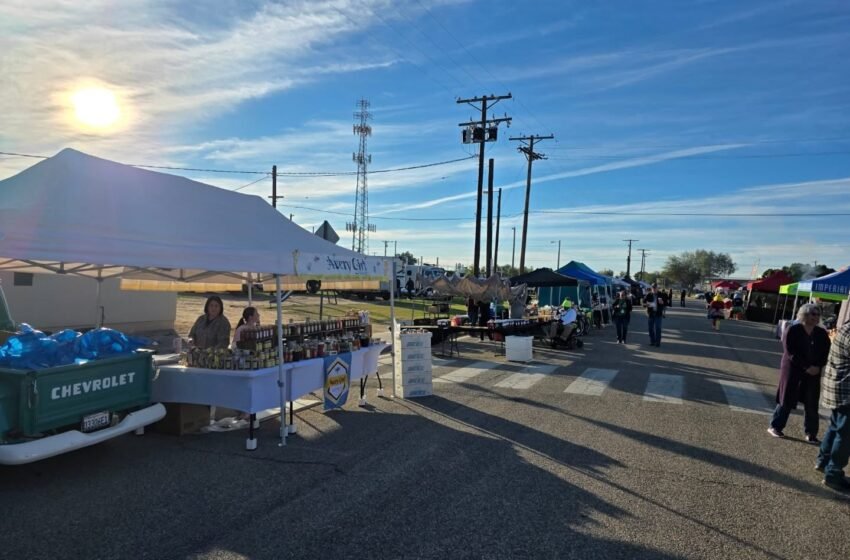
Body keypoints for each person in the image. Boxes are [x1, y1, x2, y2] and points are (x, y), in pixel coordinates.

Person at [768, 303, 830, 442]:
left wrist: (818, 366)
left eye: (818, 314)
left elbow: (826, 352)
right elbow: (790, 351)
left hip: (814, 371)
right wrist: (806, 366)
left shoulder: (821, 333)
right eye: (813, 314)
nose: (816, 317)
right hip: (793, 369)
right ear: (804, 314)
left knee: (811, 402)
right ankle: (775, 426)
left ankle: (811, 433)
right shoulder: (793, 329)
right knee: (787, 398)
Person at [817, 321, 850, 491]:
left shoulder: (845, 327)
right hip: (845, 389)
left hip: (838, 387)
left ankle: (823, 462)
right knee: (845, 434)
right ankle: (833, 474)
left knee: (835, 427)